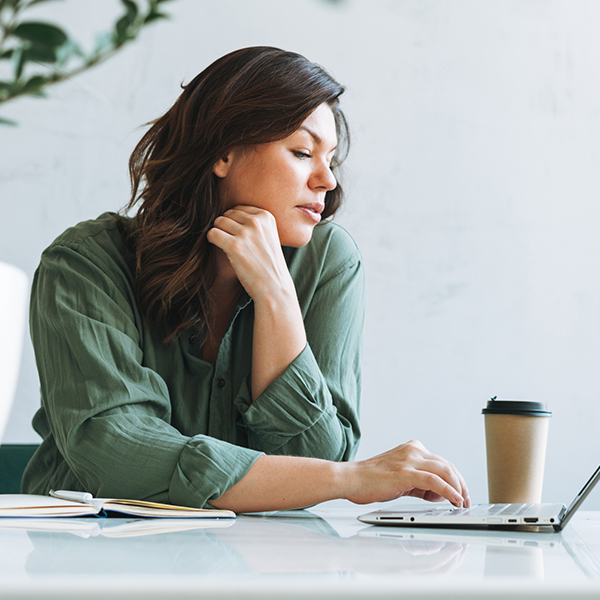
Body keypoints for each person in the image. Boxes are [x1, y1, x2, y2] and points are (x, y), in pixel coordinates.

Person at [23, 46, 470, 512]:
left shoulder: (328, 263)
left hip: (258, 561)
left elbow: (312, 455)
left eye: (330, 160)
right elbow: (119, 456)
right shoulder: (85, 265)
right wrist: (346, 479)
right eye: (302, 152)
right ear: (223, 153)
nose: (327, 181)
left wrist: (275, 294)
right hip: (88, 556)